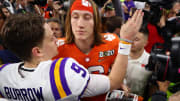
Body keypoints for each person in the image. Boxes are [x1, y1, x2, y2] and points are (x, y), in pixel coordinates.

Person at [0, 6, 143, 101]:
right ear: (37, 51)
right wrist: (125, 41)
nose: (57, 40)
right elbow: (113, 82)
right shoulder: (62, 74)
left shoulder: (4, 74)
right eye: (51, 38)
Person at [52, 0, 125, 100]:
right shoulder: (55, 48)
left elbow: (118, 78)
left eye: (87, 17)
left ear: (96, 22)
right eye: (75, 17)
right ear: (69, 20)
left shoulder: (112, 42)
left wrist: (120, 83)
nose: (80, 24)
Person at [124, 24, 152, 98]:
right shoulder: (120, 56)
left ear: (145, 43)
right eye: (131, 38)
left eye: (136, 39)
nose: (131, 42)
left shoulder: (150, 61)